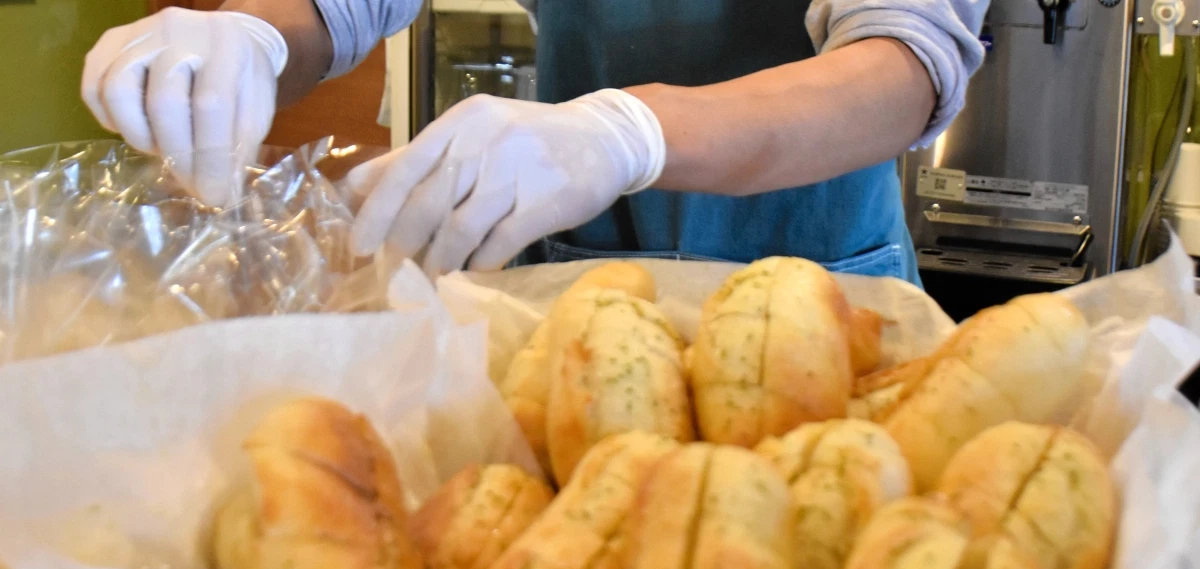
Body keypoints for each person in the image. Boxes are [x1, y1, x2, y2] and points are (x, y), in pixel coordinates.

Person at [81, 0, 986, 285]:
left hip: (816, 277)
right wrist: (248, 38)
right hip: (579, 277)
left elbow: (901, 68)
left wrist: (628, 134)